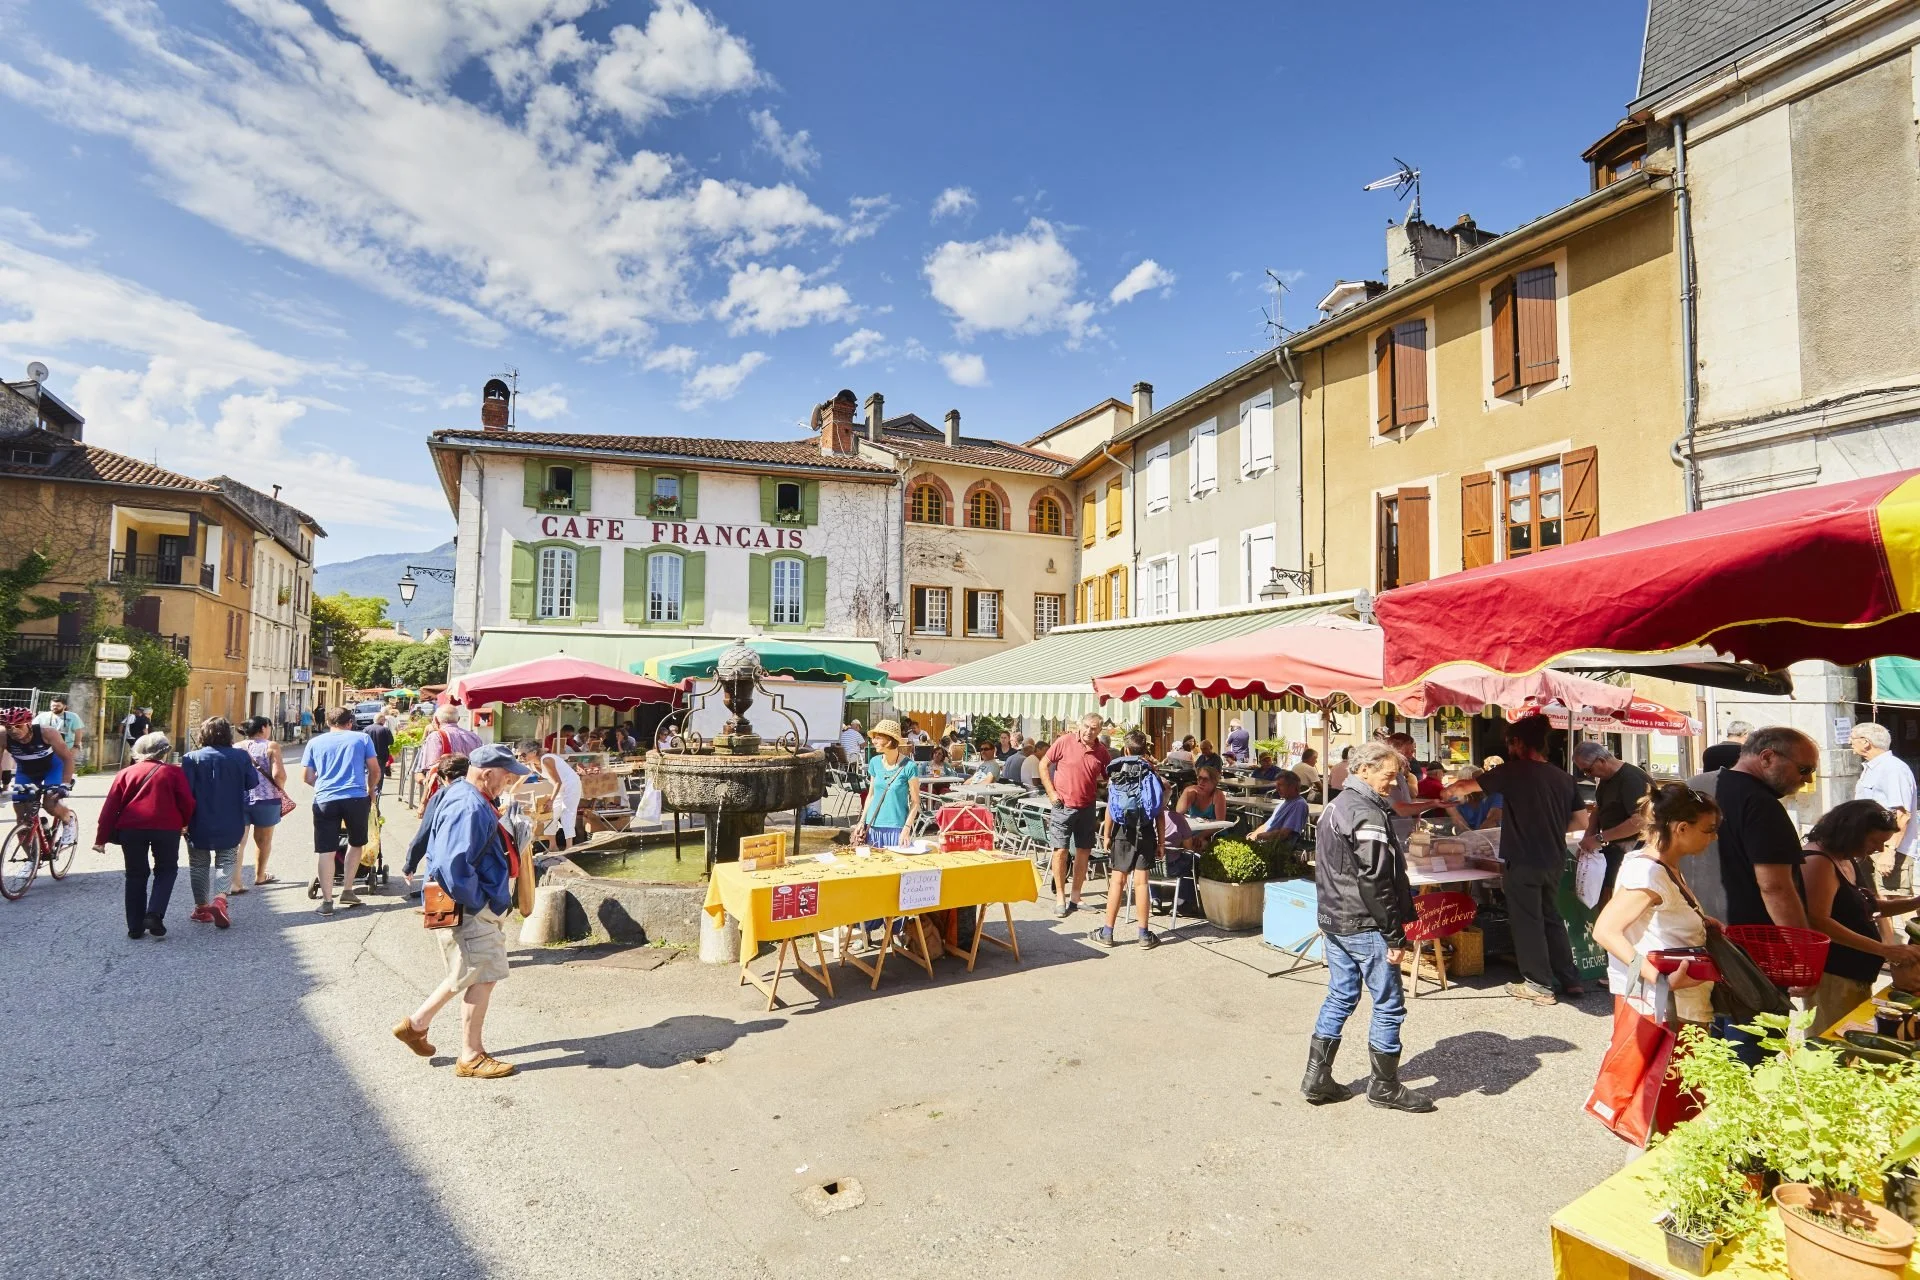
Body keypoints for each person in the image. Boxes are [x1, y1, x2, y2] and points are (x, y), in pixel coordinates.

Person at [1300, 741, 1433, 1113]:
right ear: (1363, 771)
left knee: (1341, 995)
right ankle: (1385, 1086)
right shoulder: (1366, 813)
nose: (1393, 783)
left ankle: (1317, 1077)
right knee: (1389, 1004)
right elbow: (1375, 879)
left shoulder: (1337, 805)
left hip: (1336, 916)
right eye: (1388, 775)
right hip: (1363, 921)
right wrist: (1394, 934)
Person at [393, 743, 531, 1080]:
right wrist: (481, 902)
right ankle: (470, 1056)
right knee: (483, 974)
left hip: (457, 903)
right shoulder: (470, 805)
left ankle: (415, 1025)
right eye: (505, 774)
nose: (509, 780)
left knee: (469, 969)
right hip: (469, 906)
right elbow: (454, 868)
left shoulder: (460, 793)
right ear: (487, 773)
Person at [1445, 716, 1588, 1006]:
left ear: (1519, 742)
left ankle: (1539, 984)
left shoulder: (1513, 771)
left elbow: (1463, 787)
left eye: (1510, 742)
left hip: (1523, 858)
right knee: (1551, 916)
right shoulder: (1563, 777)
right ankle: (1570, 979)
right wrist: (1548, 826)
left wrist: (1445, 793)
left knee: (1527, 921)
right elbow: (1579, 821)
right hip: (1553, 857)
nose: (1509, 748)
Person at [1591, 785, 1722, 1057]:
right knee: (1663, 1092)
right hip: (1660, 1008)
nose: (1714, 837)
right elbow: (1605, 932)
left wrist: (1700, 921)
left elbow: (1659, 915)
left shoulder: (1660, 866)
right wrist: (1658, 978)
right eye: (1708, 830)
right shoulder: (1648, 872)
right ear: (1682, 829)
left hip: (1673, 1005)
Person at [1801, 800, 1920, 1035]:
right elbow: (1819, 921)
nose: (1878, 849)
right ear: (1853, 831)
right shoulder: (1818, 861)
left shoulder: (1845, 858)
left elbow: (1869, 907)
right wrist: (1885, 950)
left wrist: (1915, 902)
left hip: (1854, 973)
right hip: (1833, 974)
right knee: (1832, 1039)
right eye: (1875, 841)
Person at [1706, 726, 1818, 929]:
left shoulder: (1694, 786)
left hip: (1697, 933)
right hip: (1753, 941)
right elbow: (1775, 887)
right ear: (1767, 758)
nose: (1808, 779)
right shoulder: (1762, 804)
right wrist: (1802, 948)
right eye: (1804, 769)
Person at [93, 732, 195, 940]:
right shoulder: (173, 773)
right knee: (166, 870)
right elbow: (187, 802)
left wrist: (101, 839)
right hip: (167, 828)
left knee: (135, 874)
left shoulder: (125, 773)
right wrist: (185, 823)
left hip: (131, 830)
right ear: (164, 753)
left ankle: (134, 926)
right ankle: (154, 914)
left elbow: (110, 808)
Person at [181, 717, 260, 930]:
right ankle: (220, 898)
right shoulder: (240, 756)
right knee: (226, 858)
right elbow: (252, 782)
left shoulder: (191, 758)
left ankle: (201, 908)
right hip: (231, 817)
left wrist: (182, 821)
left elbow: (185, 793)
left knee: (198, 863)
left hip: (198, 819)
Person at [1091, 731, 1166, 948]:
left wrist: (1106, 834)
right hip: (1146, 830)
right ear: (1145, 750)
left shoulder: (1117, 771)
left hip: (1122, 831)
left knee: (1117, 881)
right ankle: (1144, 935)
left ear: (1125, 749)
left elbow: (1111, 807)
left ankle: (1107, 932)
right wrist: (1161, 842)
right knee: (1142, 883)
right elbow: (1159, 811)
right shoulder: (1152, 773)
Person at [303, 706, 380, 915]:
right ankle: (347, 889)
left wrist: (324, 786)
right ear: (350, 722)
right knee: (356, 843)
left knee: (326, 850)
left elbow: (308, 777)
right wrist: (370, 790)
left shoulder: (314, 742)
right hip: (356, 798)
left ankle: (327, 902)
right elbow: (374, 770)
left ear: (328, 723)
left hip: (325, 800)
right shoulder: (362, 739)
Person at [1042, 713, 1111, 918]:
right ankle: (1060, 898)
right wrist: (1051, 793)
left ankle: (1076, 896)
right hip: (1063, 806)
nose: (1090, 731)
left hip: (1087, 807)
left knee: (1083, 852)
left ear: (1100, 730)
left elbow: (1108, 778)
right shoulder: (1065, 741)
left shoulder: (1102, 752)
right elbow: (1043, 764)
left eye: (1095, 728)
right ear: (1081, 725)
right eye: (1088, 727)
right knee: (1060, 851)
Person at [1574, 742, 1651, 903]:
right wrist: (1588, 838)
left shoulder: (1631, 779)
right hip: (1614, 850)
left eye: (1588, 769)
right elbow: (1599, 808)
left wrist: (1599, 838)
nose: (1588, 775)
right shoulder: (1606, 779)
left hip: (1631, 851)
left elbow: (1640, 821)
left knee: (1613, 900)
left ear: (1601, 760)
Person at [1852, 722, 1918, 891]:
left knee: (1899, 903)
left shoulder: (1893, 769)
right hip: (1869, 847)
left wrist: (1889, 852)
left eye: (1853, 738)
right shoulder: (1872, 768)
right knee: (1874, 902)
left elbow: (1902, 815)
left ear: (1866, 742)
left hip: (1889, 849)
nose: (1849, 742)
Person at [3, 706, 76, 844]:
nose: (13, 730)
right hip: (27, 773)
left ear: (29, 723)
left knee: (49, 803)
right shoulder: (3, 737)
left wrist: (65, 784)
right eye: (8, 727)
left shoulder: (47, 733)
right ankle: (31, 859)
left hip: (52, 769)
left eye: (18, 726)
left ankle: (68, 819)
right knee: (22, 813)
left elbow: (67, 758)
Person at [405, 754, 472, 898]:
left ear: (445, 777)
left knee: (438, 909)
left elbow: (425, 833)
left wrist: (410, 865)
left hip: (443, 865)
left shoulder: (442, 795)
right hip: (473, 867)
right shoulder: (478, 793)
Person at [238, 716, 289, 891]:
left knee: (239, 840)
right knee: (263, 839)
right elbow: (278, 775)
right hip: (266, 798)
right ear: (263, 728)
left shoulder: (237, 747)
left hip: (240, 798)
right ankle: (260, 875)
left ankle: (235, 880)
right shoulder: (271, 746)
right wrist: (279, 789)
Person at [853, 721, 920, 853]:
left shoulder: (909, 766)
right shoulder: (874, 762)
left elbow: (915, 802)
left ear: (889, 741)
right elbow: (871, 795)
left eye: (878, 737)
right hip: (872, 826)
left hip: (896, 828)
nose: (873, 741)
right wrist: (861, 821)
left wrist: (907, 828)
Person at [516, 741, 581, 851]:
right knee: (549, 814)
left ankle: (569, 847)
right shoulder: (531, 764)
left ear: (534, 752)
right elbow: (521, 780)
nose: (521, 758)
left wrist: (551, 800)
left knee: (567, 813)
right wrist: (512, 791)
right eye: (519, 755)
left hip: (571, 785)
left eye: (523, 755)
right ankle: (553, 846)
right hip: (559, 787)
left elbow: (557, 782)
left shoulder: (546, 760)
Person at [415, 706, 482, 793]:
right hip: (471, 789)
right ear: (458, 719)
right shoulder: (474, 737)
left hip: (445, 791)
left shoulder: (436, 737)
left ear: (436, 720)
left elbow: (432, 768)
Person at [1253, 771, 1309, 846]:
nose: (1277, 789)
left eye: (1280, 785)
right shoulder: (1282, 803)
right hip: (1264, 841)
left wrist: (1259, 836)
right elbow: (1266, 825)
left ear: (1292, 787)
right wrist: (1252, 836)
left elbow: (1284, 834)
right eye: (1277, 785)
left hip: (1275, 847)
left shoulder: (1299, 804)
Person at [1443, 766, 1502, 830]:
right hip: (1467, 837)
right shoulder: (1455, 801)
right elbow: (1460, 825)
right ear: (1465, 783)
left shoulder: (1495, 795)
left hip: (1489, 837)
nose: (1483, 782)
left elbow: (1493, 820)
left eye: (1483, 778)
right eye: (1478, 779)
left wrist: (1476, 837)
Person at [34, 697, 83, 762]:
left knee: (63, 767)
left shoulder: (73, 716)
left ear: (64, 706)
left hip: (67, 748)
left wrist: (76, 747)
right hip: (47, 749)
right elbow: (33, 728)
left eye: (58, 706)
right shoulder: (42, 716)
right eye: (53, 705)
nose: (55, 707)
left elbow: (78, 732)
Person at [365, 710, 396, 793]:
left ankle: (369, 788)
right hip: (382, 755)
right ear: (382, 720)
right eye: (384, 720)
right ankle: (377, 790)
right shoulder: (385, 730)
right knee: (380, 773)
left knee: (369, 772)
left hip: (369, 755)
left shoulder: (367, 729)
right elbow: (391, 742)